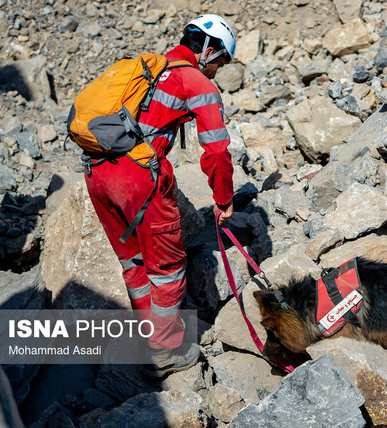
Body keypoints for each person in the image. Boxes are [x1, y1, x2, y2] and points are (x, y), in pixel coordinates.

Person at [83, 14, 236, 377]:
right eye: (220, 61)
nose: (218, 70)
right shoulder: (196, 80)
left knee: (133, 262)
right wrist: (224, 199)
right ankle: (165, 350)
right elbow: (215, 150)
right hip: (138, 178)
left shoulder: (150, 69)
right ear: (208, 50)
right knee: (167, 267)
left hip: (97, 173)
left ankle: (148, 335)